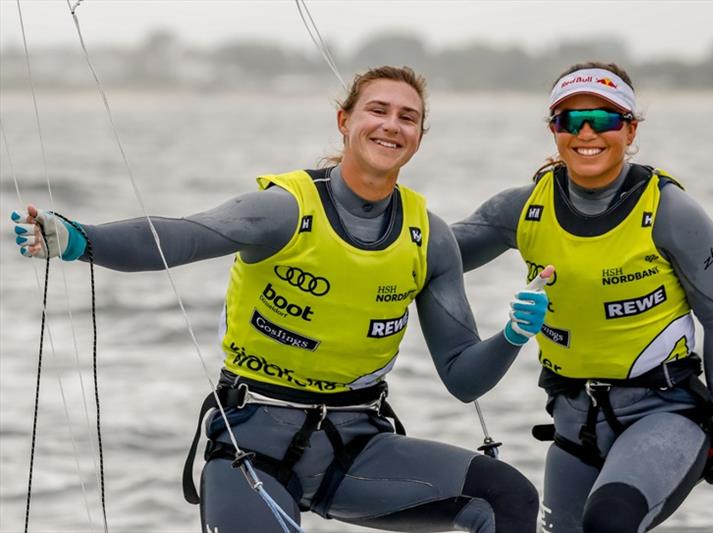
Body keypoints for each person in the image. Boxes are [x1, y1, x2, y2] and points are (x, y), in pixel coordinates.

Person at [10, 66, 549, 533]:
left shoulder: (428, 237)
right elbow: (182, 236)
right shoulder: (285, 209)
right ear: (345, 121)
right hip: (253, 445)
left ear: (419, 137)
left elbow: (462, 378)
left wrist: (513, 335)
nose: (391, 124)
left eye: (407, 117)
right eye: (377, 110)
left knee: (508, 498)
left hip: (358, 445)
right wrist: (82, 240)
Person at [451, 62, 713, 532]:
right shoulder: (521, 208)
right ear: (554, 130)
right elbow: (424, 256)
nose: (586, 132)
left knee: (608, 523)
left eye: (605, 119)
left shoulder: (671, 211)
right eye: (570, 120)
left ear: (629, 130)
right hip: (574, 426)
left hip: (663, 414)